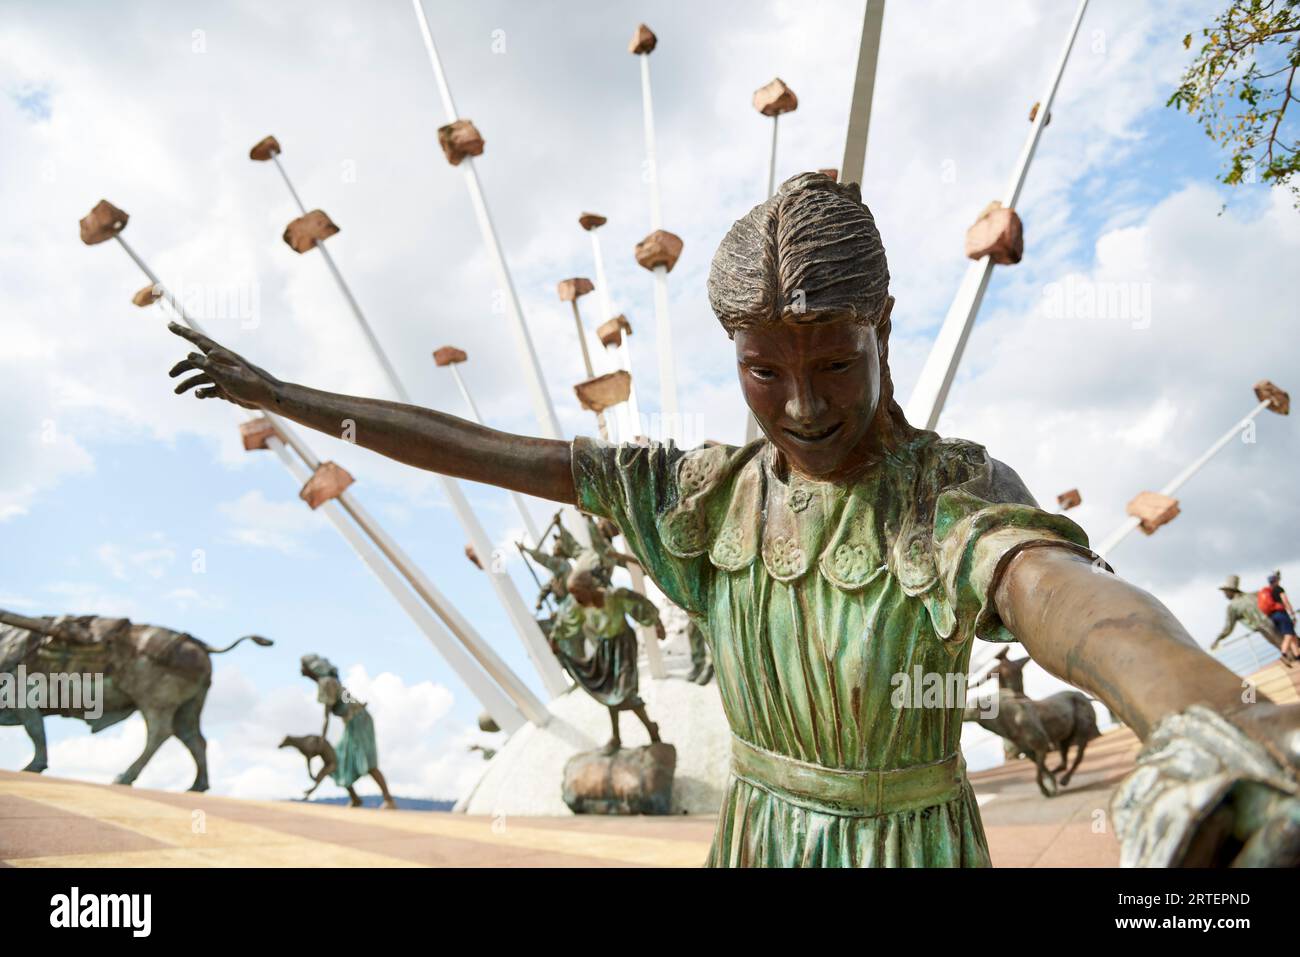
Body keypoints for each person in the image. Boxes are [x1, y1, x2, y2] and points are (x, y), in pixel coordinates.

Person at [166, 171, 1300, 867]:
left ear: (885, 328)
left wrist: (1219, 724)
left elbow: (1078, 608)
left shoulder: (946, 495)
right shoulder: (702, 497)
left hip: (906, 851)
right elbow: (483, 451)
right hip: (758, 841)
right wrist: (288, 398)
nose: (803, 406)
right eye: (764, 371)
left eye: (833, 364)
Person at [548, 565, 667, 755]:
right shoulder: (580, 607)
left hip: (624, 647)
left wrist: (657, 624)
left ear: (588, 588)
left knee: (625, 692)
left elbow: (641, 606)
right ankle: (617, 736)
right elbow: (568, 624)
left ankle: (650, 728)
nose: (576, 599)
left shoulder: (615, 596)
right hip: (605, 650)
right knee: (609, 690)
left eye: (578, 593)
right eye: (573, 595)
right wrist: (555, 638)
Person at [300, 654, 396, 809]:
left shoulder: (327, 683)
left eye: (303, 666)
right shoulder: (331, 683)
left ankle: (388, 799)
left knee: (366, 760)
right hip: (353, 721)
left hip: (358, 720)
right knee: (337, 760)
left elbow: (327, 716)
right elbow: (346, 698)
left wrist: (322, 740)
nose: (301, 671)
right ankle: (355, 798)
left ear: (312, 669)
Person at [1213, 573, 1292, 664]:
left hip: (1264, 628)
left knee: (1284, 646)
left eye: (1225, 592)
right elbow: (1274, 594)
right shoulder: (1254, 594)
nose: (1225, 594)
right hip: (1277, 619)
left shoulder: (1232, 607)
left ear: (1231, 591)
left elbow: (1228, 628)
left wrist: (1218, 639)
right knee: (1291, 641)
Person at [1257, 572, 1300, 661]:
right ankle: (1283, 654)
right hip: (1281, 614)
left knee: (1291, 635)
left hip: (1273, 616)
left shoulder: (1269, 591)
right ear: (1276, 580)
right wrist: (1292, 613)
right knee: (1288, 634)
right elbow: (1285, 601)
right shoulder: (1278, 589)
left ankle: (1297, 656)